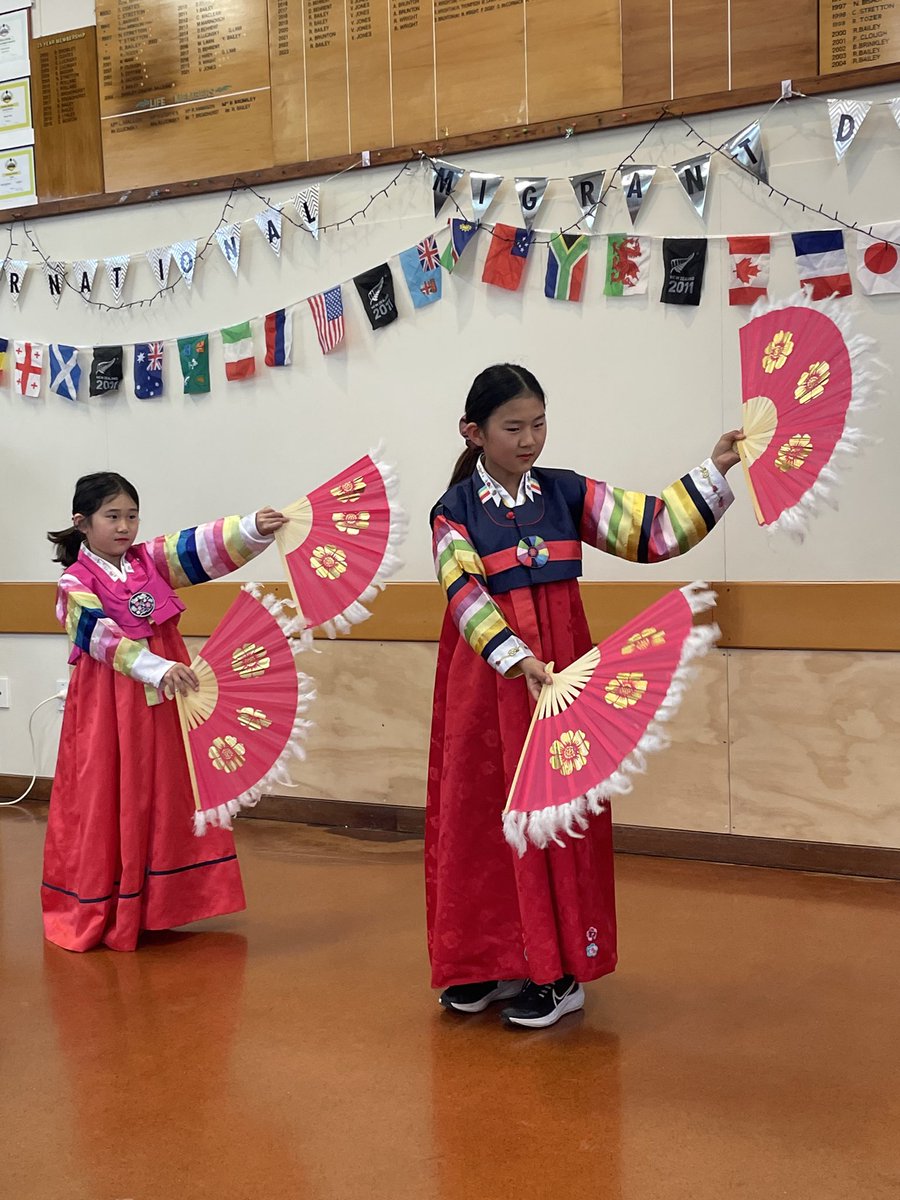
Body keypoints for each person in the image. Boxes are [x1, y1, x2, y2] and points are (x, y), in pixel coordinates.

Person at [427, 364, 743, 1029]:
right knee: (482, 815)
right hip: (488, 684)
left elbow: (651, 531)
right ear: (474, 431)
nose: (529, 439)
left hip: (564, 677)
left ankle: (560, 971)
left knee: (558, 812)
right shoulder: (453, 512)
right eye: (513, 427)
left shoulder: (566, 494)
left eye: (539, 424)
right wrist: (513, 656)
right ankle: (489, 960)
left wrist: (714, 472)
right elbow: (464, 594)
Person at [43, 471, 286, 952]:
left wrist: (253, 527)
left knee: (168, 788)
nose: (124, 527)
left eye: (131, 516)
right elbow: (98, 634)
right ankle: (108, 903)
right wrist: (154, 667)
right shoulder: (75, 582)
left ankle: (161, 903)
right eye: (112, 516)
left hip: (165, 698)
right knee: (113, 792)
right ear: (82, 522)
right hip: (111, 706)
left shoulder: (147, 562)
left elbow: (200, 547)